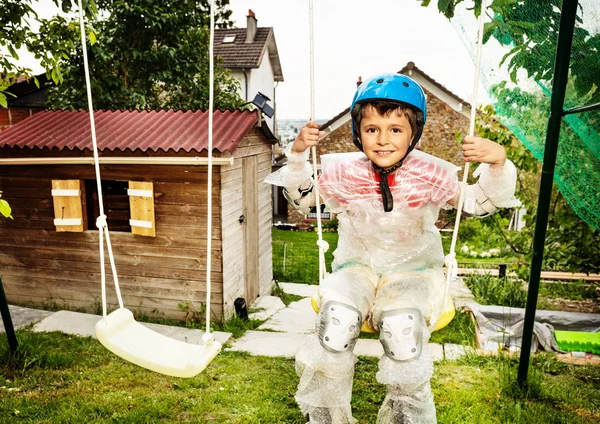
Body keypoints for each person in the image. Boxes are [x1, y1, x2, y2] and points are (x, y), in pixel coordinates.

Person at [265, 73, 520, 424]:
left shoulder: (431, 174)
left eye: (395, 130)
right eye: (372, 130)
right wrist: (296, 156)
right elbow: (306, 200)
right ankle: (325, 418)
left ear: (413, 134)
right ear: (359, 133)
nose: (383, 140)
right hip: (355, 269)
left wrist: (498, 163)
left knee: (403, 332)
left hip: (412, 273)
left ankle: (407, 419)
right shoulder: (344, 173)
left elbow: (479, 202)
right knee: (336, 324)